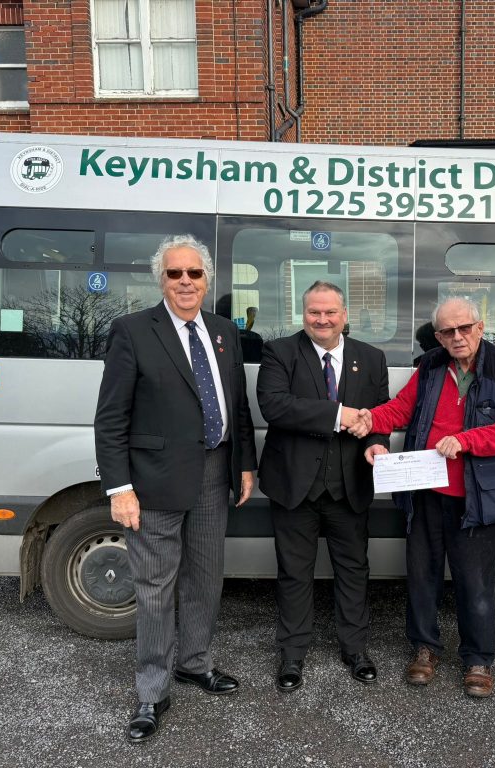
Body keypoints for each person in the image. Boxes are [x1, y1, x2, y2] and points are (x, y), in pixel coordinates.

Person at [94, 234, 257, 744]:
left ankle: (194, 662)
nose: (185, 281)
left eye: (194, 273)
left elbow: (238, 405)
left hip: (215, 473)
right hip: (154, 482)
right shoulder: (132, 331)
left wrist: (244, 466)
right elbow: (110, 419)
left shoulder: (224, 331)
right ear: (160, 280)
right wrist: (120, 488)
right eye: (174, 273)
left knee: (205, 579)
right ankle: (152, 690)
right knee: (154, 588)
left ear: (207, 279)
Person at [357, 297, 495, 698]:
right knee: (422, 577)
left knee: (476, 584)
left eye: (464, 328)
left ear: (480, 327)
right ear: (438, 337)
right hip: (425, 492)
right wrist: (368, 420)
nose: (457, 337)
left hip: (476, 497)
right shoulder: (431, 365)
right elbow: (400, 409)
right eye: (448, 331)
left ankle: (478, 658)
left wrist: (468, 440)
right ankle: (425, 648)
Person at [256, 282, 390, 692]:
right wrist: (339, 414)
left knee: (354, 570)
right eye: (314, 312)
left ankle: (355, 649)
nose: (322, 319)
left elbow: (379, 415)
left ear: (344, 315)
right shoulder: (279, 352)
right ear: (304, 314)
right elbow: (274, 405)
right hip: (294, 485)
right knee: (294, 572)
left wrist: (376, 441)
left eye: (330, 312)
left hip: (349, 485)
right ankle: (292, 653)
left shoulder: (372, 358)